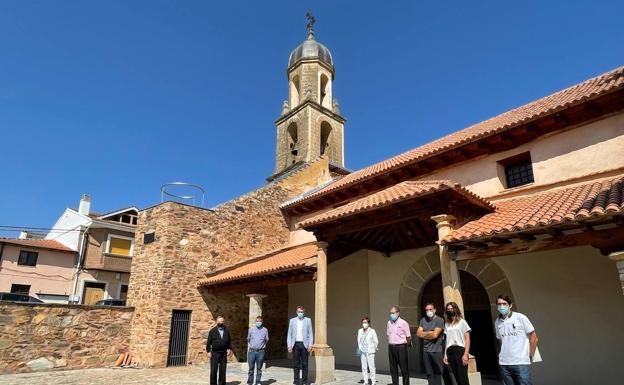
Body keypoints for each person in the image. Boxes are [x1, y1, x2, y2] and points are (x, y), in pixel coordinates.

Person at [495, 295, 538, 385]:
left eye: (504, 304)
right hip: (504, 364)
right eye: (499, 304)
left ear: (510, 305)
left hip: (520, 363)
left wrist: (530, 355)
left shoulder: (520, 318)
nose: (502, 306)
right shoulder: (497, 322)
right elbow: (501, 340)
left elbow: (534, 337)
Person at [416, 303, 445, 385]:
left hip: (437, 351)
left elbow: (435, 335)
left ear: (435, 310)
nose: (428, 311)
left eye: (430, 309)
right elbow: (418, 333)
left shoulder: (440, 320)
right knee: (429, 373)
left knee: (438, 372)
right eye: (427, 310)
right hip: (426, 350)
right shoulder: (423, 320)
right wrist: (430, 333)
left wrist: (424, 334)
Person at [443, 302, 471, 385]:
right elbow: (447, 340)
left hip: (460, 350)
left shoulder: (462, 322)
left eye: (452, 309)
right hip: (450, 351)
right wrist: (445, 354)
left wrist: (466, 354)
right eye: (448, 309)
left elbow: (467, 339)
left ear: (456, 309)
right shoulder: (447, 323)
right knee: (457, 377)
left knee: (463, 378)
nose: (450, 311)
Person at [287, 305, 314, 385]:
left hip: (304, 345)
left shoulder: (308, 320)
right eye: (299, 312)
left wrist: (310, 345)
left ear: (304, 312)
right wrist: (289, 345)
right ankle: (296, 381)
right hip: (295, 344)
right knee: (296, 364)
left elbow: (310, 333)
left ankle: (304, 381)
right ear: (296, 312)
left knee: (305, 364)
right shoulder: (292, 321)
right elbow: (289, 334)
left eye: (301, 312)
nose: (300, 313)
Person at [386, 305, 411, 385]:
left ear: (398, 313)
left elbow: (408, 337)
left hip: (401, 347)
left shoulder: (404, 323)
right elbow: (388, 334)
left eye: (393, 313)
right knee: (393, 368)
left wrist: (405, 345)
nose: (391, 315)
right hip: (391, 347)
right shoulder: (389, 323)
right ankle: (395, 383)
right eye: (390, 313)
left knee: (404, 369)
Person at [206, 316, 232, 385]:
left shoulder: (227, 331)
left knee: (223, 370)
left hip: (223, 353)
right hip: (215, 353)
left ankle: (222, 383)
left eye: (222, 321)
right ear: (216, 322)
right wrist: (208, 351)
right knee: (213, 370)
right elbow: (208, 342)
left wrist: (229, 348)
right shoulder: (212, 331)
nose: (220, 323)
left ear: (223, 322)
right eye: (219, 321)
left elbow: (229, 341)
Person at [247, 315, 269, 385]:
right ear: (255, 322)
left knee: (259, 368)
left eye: (259, 321)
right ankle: (250, 382)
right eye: (257, 321)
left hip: (260, 352)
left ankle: (258, 382)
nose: (258, 322)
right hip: (251, 351)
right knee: (251, 369)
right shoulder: (251, 329)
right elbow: (248, 339)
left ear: (262, 322)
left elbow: (266, 339)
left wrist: (262, 346)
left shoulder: (265, 330)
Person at [357, 317, 379, 385]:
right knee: (364, 367)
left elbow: (376, 341)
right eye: (363, 322)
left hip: (370, 352)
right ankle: (365, 381)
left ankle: (373, 381)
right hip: (363, 351)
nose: (364, 324)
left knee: (371, 367)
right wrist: (360, 347)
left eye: (366, 322)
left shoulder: (372, 331)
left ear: (368, 323)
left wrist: (373, 348)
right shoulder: (360, 330)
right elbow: (358, 340)